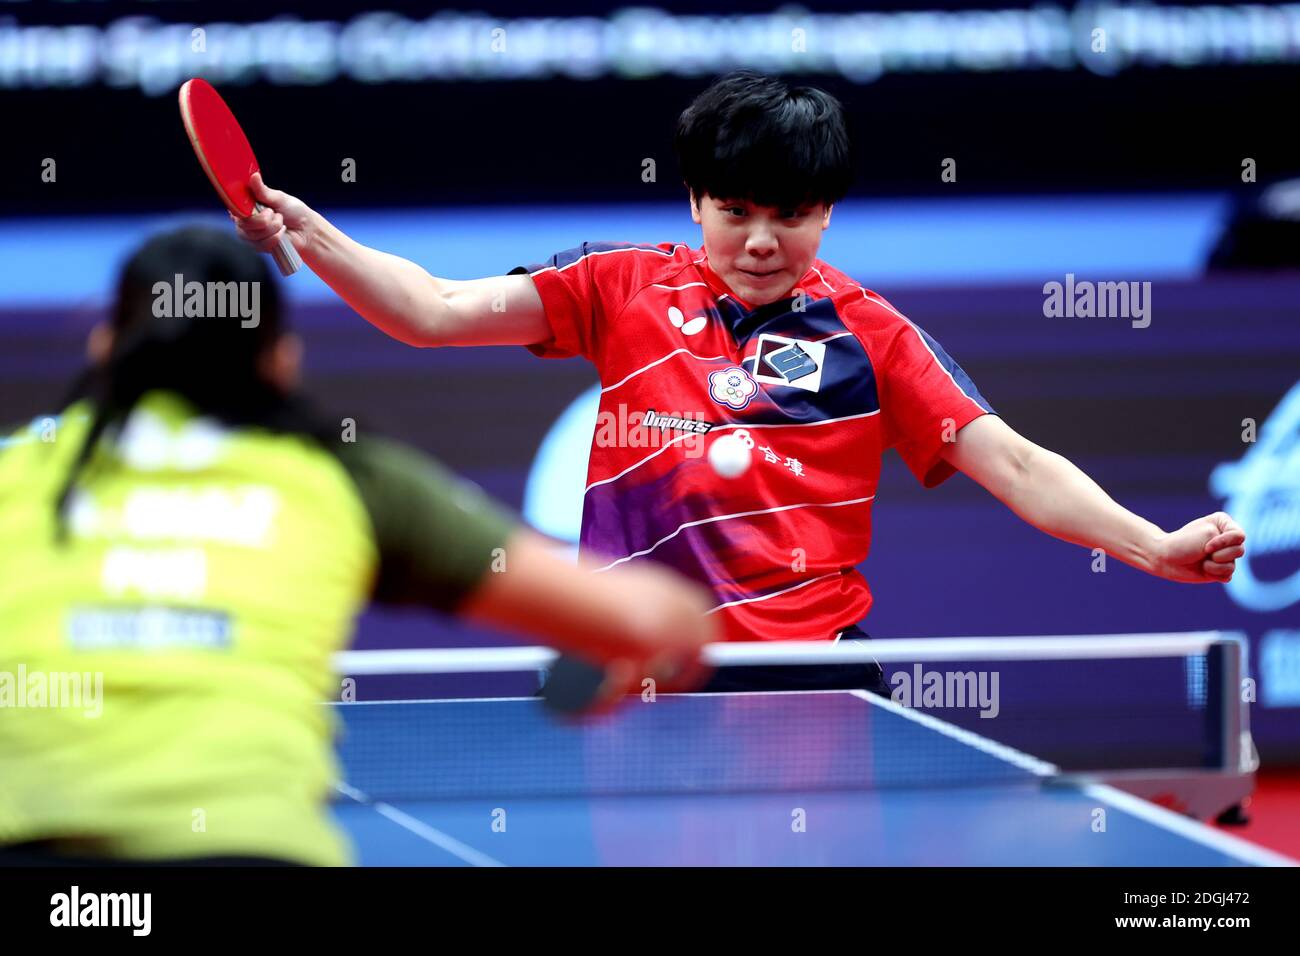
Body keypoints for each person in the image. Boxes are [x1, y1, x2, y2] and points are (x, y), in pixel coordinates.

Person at [231, 69, 1247, 696]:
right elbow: (431, 310)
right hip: (645, 668)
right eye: (736, 210)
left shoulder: (875, 334)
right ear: (695, 200)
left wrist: (1151, 546)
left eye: (791, 215)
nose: (762, 240)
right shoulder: (617, 285)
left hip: (816, 672)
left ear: (828, 212)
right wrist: (311, 233)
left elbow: (1014, 462)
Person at [0, 226, 716, 866]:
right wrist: (628, 654)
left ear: (104, 346)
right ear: (281, 360)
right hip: (248, 852)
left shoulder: (14, 474)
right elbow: (663, 623)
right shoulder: (343, 480)